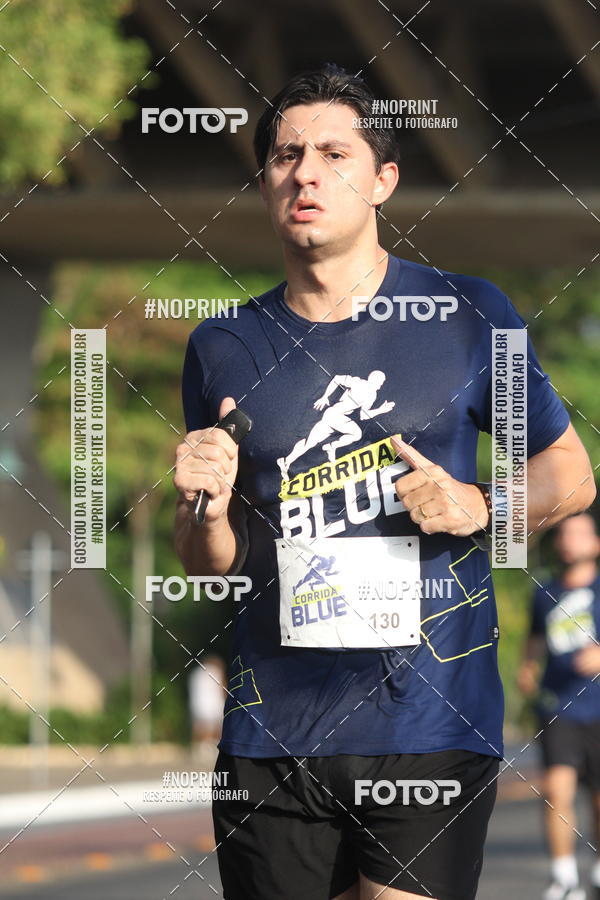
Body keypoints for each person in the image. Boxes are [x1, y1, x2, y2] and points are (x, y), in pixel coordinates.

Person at [173, 64, 595, 900]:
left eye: (335, 153)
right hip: (272, 728)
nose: (307, 172)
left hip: (428, 718)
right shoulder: (221, 346)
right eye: (287, 154)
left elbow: (569, 474)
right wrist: (204, 507)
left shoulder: (472, 316)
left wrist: (481, 505)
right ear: (265, 182)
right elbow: (206, 559)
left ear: (383, 181)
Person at [519, 513, 600, 900]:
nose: (570, 540)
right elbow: (536, 638)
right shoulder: (544, 592)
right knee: (556, 789)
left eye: (580, 533)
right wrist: (528, 668)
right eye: (564, 533)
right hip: (559, 706)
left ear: (596, 543)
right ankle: (564, 878)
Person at [188, 654, 226, 760]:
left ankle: (199, 749)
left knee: (200, 726)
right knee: (216, 726)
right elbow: (222, 687)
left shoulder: (195, 672)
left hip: (197, 703)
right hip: (214, 703)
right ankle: (210, 747)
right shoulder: (215, 670)